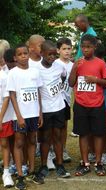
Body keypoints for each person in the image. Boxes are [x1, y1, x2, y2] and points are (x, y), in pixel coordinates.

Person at [69, 34, 106, 176]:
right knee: (83, 133)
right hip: (80, 104)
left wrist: (95, 80)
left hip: (97, 104)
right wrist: (74, 68)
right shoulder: (78, 63)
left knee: (99, 134)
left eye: (88, 47)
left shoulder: (100, 63)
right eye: (83, 47)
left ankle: (98, 162)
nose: (85, 49)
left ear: (94, 47)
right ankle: (85, 162)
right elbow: (70, 83)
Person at [7, 44, 43, 189]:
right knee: (19, 143)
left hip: (34, 113)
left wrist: (40, 113)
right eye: (20, 54)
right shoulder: (13, 73)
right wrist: (19, 116)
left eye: (25, 53)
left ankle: (32, 170)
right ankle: (20, 174)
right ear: (15, 58)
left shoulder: (35, 72)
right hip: (21, 115)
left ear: (29, 54)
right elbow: (12, 96)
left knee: (32, 141)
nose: (23, 56)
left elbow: (38, 92)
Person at [35, 40, 71, 183]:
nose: (52, 57)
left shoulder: (59, 66)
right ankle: (43, 165)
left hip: (59, 107)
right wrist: (39, 111)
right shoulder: (36, 69)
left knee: (58, 136)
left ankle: (60, 164)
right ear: (41, 53)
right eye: (48, 55)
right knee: (45, 138)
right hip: (45, 109)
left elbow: (63, 76)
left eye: (54, 55)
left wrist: (60, 88)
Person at [55, 37, 74, 162]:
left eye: (69, 48)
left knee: (64, 126)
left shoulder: (74, 65)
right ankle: (53, 150)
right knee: (54, 128)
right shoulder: (55, 64)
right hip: (55, 100)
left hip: (67, 100)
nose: (67, 51)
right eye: (64, 49)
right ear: (58, 50)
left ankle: (64, 149)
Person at [0, 49, 15, 188]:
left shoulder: (4, 77)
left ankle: (6, 172)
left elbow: (6, 98)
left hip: (3, 116)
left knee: (5, 144)